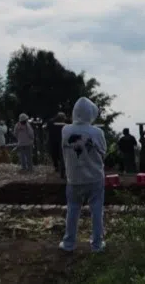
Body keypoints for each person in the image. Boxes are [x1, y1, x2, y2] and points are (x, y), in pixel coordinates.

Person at [59, 97, 107, 253]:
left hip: (74, 178)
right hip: (95, 178)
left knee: (72, 210)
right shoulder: (97, 132)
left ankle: (69, 243)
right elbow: (103, 152)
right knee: (97, 211)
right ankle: (97, 245)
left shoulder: (65, 130)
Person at [48, 112, 66, 178]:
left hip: (57, 140)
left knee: (57, 154)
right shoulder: (52, 122)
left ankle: (59, 167)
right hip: (56, 140)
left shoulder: (51, 122)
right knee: (56, 154)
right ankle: (58, 167)